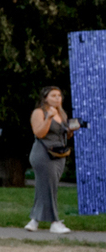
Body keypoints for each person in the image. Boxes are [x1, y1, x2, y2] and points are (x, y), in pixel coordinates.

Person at [27, 86, 74, 234]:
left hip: (58, 154)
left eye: (59, 95)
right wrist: (48, 118)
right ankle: (55, 222)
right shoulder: (39, 112)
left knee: (45, 187)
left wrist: (71, 130)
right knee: (49, 187)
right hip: (43, 153)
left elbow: (64, 135)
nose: (57, 98)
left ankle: (34, 221)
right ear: (45, 98)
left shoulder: (62, 114)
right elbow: (39, 133)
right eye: (53, 95)